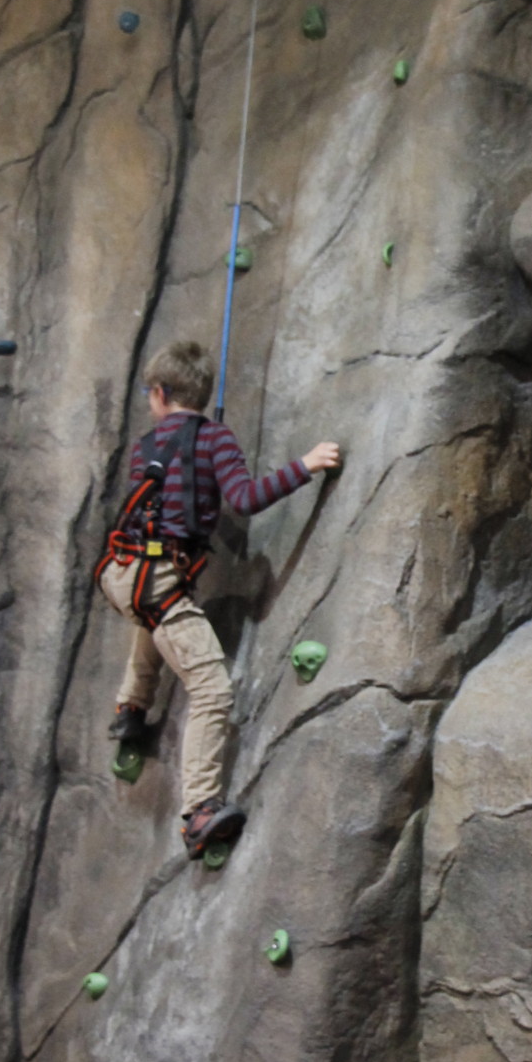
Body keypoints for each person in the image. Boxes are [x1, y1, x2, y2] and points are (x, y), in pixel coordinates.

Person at [96, 340, 340, 858]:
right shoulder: (214, 439)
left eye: (149, 394)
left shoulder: (145, 447)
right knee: (210, 687)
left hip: (121, 574)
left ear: (161, 394)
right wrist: (307, 464)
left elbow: (166, 502)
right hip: (160, 578)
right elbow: (246, 499)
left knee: (156, 618)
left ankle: (132, 706)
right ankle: (199, 811)